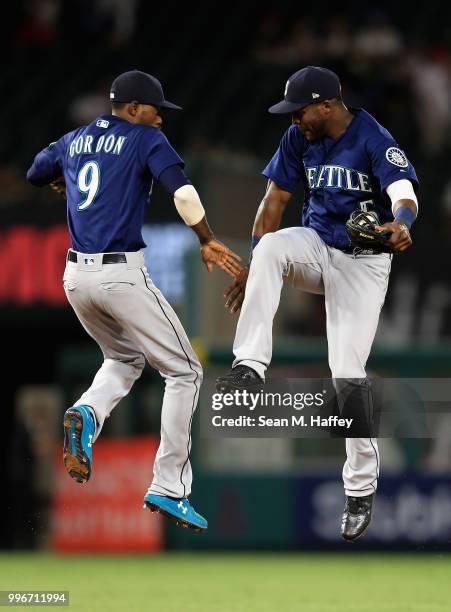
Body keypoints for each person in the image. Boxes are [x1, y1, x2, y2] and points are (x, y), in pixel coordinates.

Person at [27, 69, 242, 533]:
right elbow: (183, 192)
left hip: (75, 278)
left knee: (124, 358)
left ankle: (86, 411)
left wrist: (60, 178)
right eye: (155, 109)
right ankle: (169, 486)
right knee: (185, 370)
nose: (160, 118)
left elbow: (35, 171)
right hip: (120, 274)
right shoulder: (143, 139)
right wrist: (205, 238)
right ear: (131, 107)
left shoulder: (74, 138)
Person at [216, 66, 418, 541]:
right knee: (268, 248)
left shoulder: (372, 136)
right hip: (315, 245)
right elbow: (274, 199)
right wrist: (256, 268)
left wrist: (402, 222)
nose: (294, 119)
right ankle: (249, 366)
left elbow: (403, 190)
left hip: (363, 263)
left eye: (300, 110)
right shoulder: (297, 139)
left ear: (327, 105)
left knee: (347, 374)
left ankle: (360, 488)